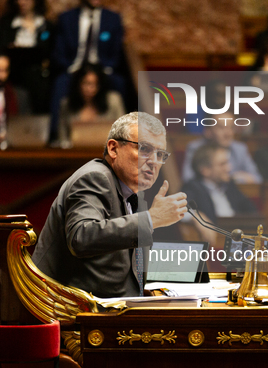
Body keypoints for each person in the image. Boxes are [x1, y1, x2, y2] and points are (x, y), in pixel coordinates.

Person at [31, 112, 188, 298]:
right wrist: (152, 219)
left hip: (109, 307)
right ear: (113, 149)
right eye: (145, 149)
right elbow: (81, 237)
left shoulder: (133, 193)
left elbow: (123, 262)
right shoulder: (95, 178)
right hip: (67, 312)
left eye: (160, 154)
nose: (154, 160)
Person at [50, 0, 125, 138]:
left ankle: (122, 138)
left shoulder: (112, 19)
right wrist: (70, 68)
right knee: (60, 84)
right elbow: (58, 52)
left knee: (119, 83)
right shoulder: (67, 18)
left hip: (102, 70)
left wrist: (106, 68)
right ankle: (56, 137)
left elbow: (115, 52)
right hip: (74, 69)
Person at [0, 0, 54, 114]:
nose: (22, 1)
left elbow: (50, 52)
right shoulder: (7, 23)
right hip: (13, 72)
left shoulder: (45, 25)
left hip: (38, 74)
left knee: (39, 82)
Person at [182, 142, 257, 222]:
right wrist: (196, 218)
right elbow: (181, 210)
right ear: (205, 170)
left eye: (227, 163)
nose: (229, 168)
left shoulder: (230, 186)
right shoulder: (192, 187)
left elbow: (253, 213)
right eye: (222, 164)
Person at [181, 112, 262, 183]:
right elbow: (188, 179)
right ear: (208, 131)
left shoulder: (240, 149)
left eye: (231, 127)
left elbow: (257, 179)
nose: (228, 133)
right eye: (221, 127)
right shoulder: (196, 148)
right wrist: (231, 178)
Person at [57, 63, 124, 147]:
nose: (90, 89)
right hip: (76, 155)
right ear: (78, 84)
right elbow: (63, 138)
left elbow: (122, 134)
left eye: (94, 84)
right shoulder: (66, 104)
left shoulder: (114, 101)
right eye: (86, 83)